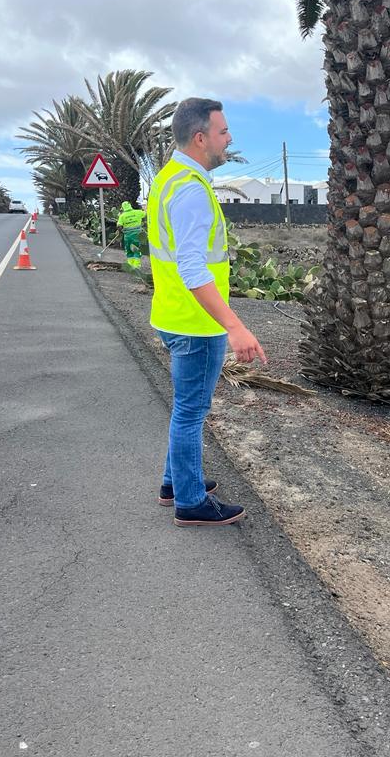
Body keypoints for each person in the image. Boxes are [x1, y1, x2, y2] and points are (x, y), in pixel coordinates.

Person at [147, 97, 266, 527]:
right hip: (195, 324)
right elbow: (193, 266)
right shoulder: (191, 190)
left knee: (186, 407)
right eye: (223, 132)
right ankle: (191, 502)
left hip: (174, 314)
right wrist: (235, 326)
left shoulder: (169, 178)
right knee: (191, 411)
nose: (229, 138)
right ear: (201, 138)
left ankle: (173, 483)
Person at [116, 200, 147, 270]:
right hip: (137, 235)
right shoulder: (138, 212)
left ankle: (130, 265)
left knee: (129, 250)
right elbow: (145, 214)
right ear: (130, 206)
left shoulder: (122, 216)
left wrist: (121, 231)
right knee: (136, 249)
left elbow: (119, 226)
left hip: (127, 236)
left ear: (123, 208)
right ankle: (136, 266)